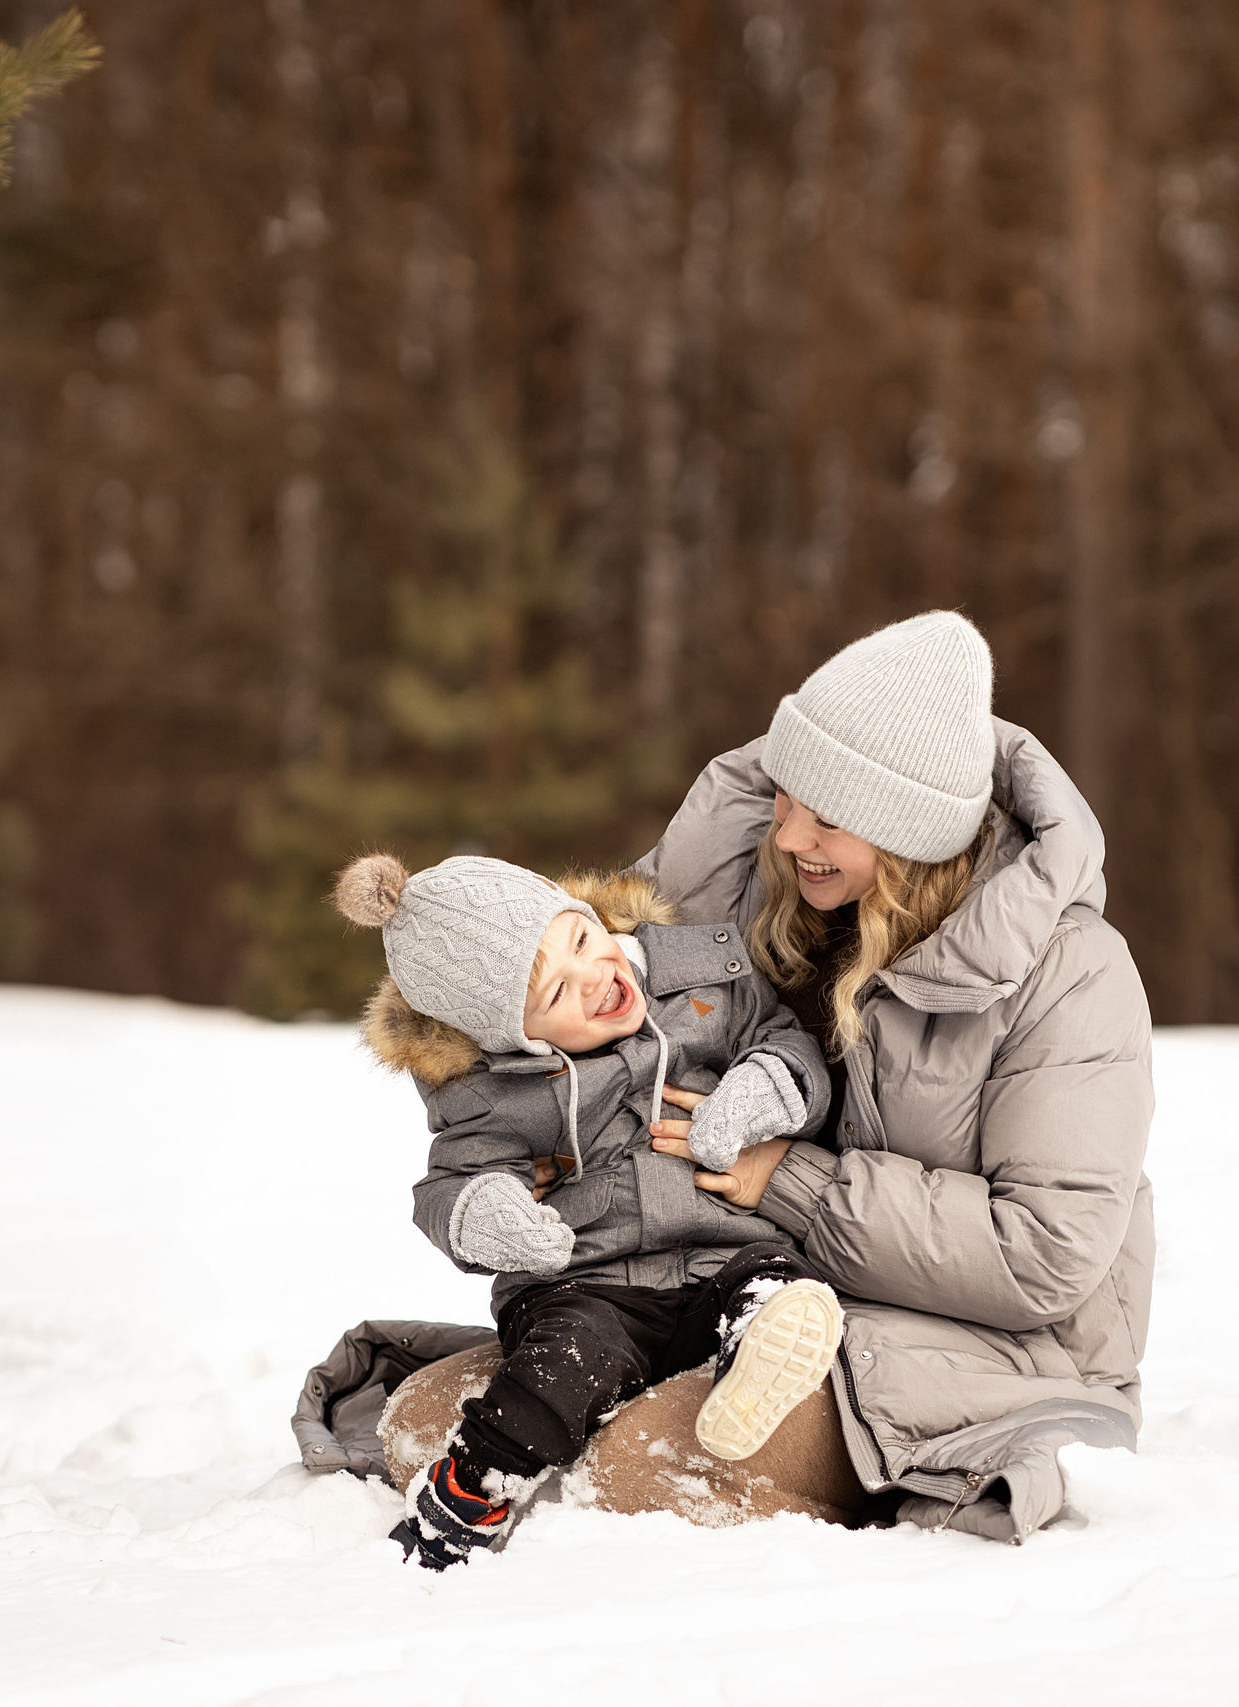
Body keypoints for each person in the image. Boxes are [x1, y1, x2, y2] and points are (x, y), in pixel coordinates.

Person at [365, 610, 1155, 1543]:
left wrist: (787, 1180)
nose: (788, 836)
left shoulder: (1071, 973)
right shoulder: (747, 874)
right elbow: (524, 982)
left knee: (641, 1468)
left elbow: (1045, 1254)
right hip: (692, 1285)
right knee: (422, 1424)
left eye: (827, 821)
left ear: (909, 836)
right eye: (786, 797)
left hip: (965, 1335)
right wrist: (529, 1142)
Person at [331, 851, 843, 1568]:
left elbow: (784, 1040)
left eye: (579, 940)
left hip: (721, 1251)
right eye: (557, 994)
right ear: (516, 1038)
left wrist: (763, 1087)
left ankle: (760, 1354)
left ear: (573, 906)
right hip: (590, 1285)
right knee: (560, 1367)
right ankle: (470, 1489)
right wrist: (490, 1212)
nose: (595, 978)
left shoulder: (703, 982)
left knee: (770, 1276)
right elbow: (451, 1182)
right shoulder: (490, 1093)